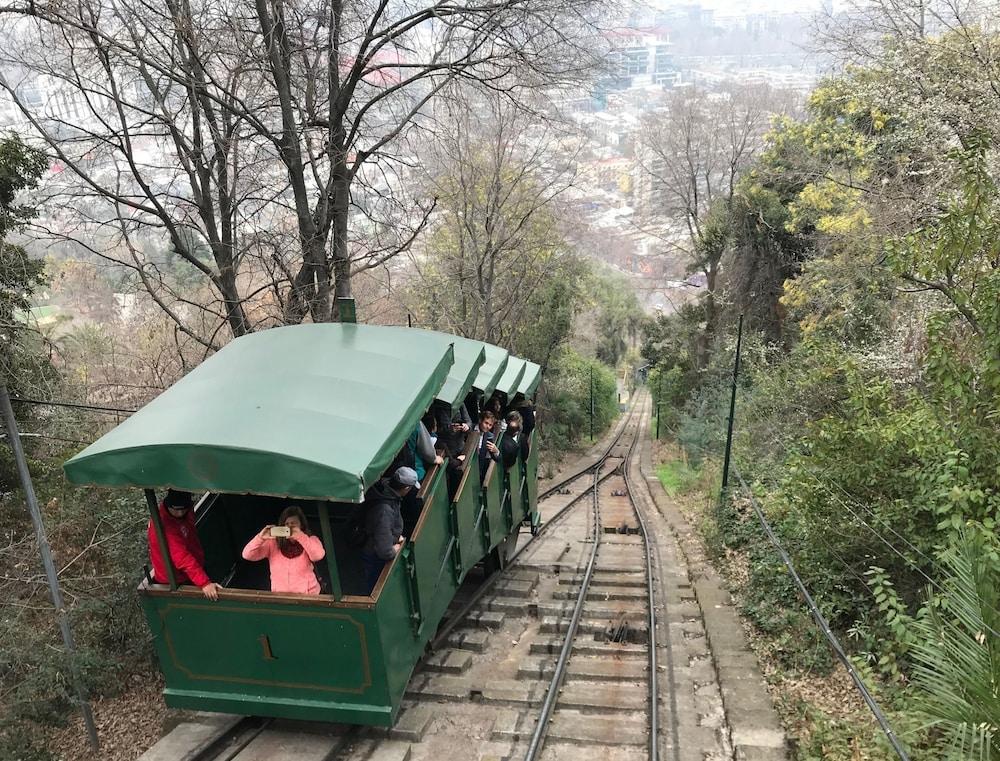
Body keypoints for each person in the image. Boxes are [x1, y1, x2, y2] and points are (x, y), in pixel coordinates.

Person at [147, 489, 222, 600]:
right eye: (176, 510)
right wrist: (205, 583)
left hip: (191, 567)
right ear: (168, 506)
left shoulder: (187, 511)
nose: (180, 513)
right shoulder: (165, 526)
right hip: (175, 579)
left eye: (183, 509)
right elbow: (182, 558)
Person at [241, 505, 326, 595]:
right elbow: (247, 554)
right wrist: (260, 537)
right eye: (287, 524)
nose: (289, 527)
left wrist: (300, 536)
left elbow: (318, 555)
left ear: (301, 525)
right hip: (281, 597)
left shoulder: (310, 539)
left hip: (308, 597)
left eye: (293, 524)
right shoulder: (273, 543)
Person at [361, 467, 420, 593]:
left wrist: (394, 536)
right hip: (375, 556)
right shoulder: (384, 510)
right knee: (375, 588)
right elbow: (384, 551)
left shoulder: (385, 491)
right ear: (406, 488)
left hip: (374, 544)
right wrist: (394, 549)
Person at [476, 410, 500, 482]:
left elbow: (497, 458)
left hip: (478, 471)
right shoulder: (471, 429)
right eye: (486, 423)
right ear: (480, 420)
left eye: (490, 425)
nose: (487, 427)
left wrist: (496, 451)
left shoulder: (489, 436)